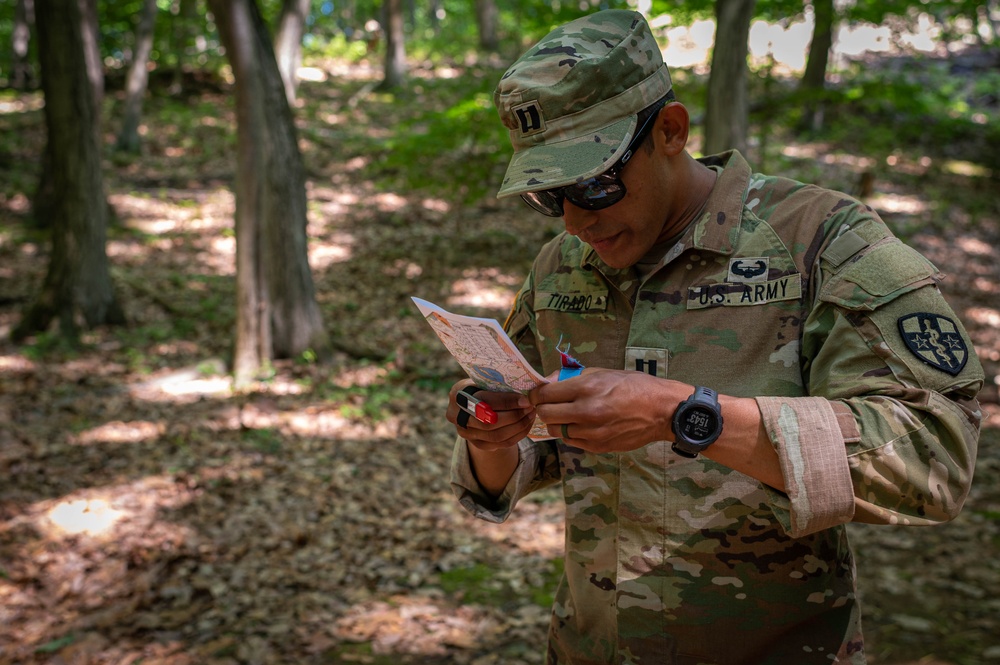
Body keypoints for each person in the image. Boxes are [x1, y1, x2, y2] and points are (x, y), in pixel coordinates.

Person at [444, 9, 984, 665]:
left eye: (594, 182)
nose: (579, 219)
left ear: (671, 131)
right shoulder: (561, 269)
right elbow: (542, 449)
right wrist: (490, 439)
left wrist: (687, 414)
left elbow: (936, 457)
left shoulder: (822, 240)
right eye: (550, 196)